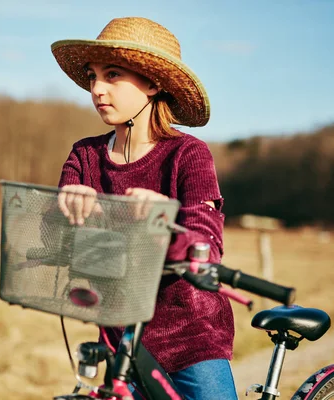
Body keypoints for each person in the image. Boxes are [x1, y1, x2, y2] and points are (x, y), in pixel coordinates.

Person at [50, 17, 237, 400]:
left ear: (153, 83)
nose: (97, 89)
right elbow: (54, 229)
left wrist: (165, 220)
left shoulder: (189, 155)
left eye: (113, 75)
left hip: (190, 336)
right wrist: (67, 208)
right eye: (92, 77)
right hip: (121, 338)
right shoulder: (84, 155)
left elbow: (208, 243)